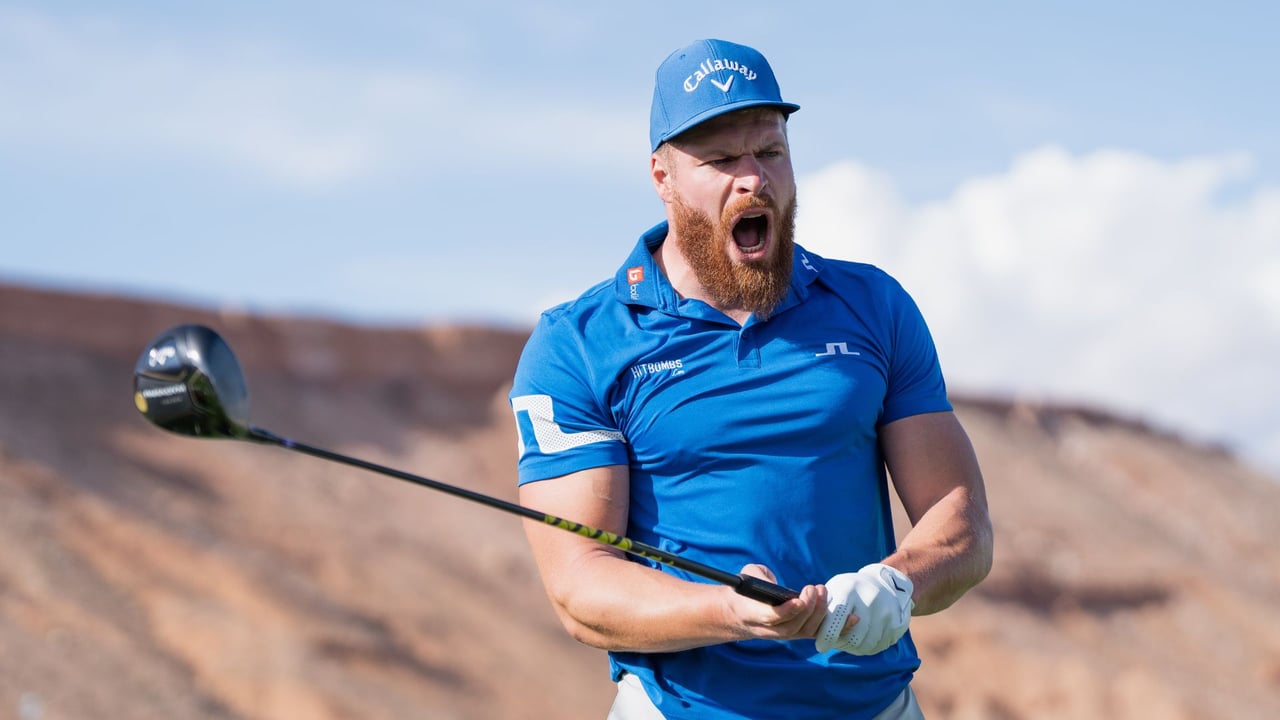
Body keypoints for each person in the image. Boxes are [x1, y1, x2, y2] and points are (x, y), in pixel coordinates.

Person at [508, 38, 992, 720]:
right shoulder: (578, 344)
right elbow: (580, 591)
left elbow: (962, 524)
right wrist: (728, 611)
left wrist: (897, 585)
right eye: (721, 159)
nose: (753, 179)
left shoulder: (875, 306)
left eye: (769, 152)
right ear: (663, 176)